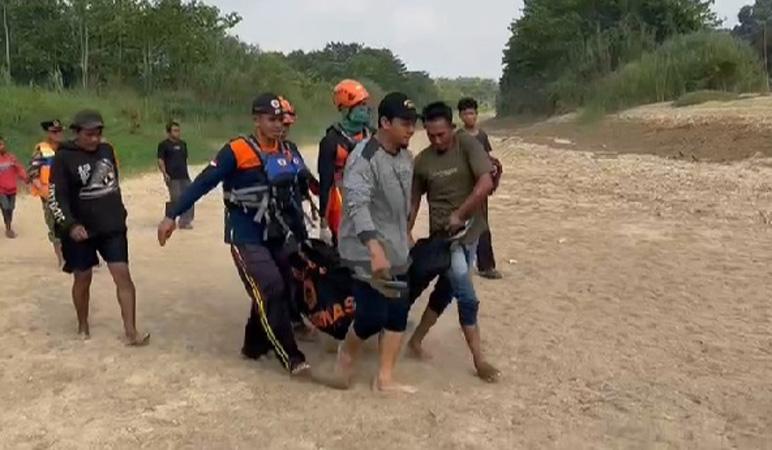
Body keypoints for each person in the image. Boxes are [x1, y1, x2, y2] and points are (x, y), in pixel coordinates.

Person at [157, 93, 311, 376]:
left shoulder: (288, 150)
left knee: (281, 287)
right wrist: (172, 214)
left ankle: (252, 346)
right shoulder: (237, 150)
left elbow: (302, 187)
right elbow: (203, 182)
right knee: (271, 287)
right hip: (245, 236)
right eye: (271, 119)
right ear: (256, 120)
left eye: (281, 120)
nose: (278, 125)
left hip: (277, 234)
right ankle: (291, 356)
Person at [328, 92, 418, 393]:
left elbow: (402, 202)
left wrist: (406, 231)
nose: (411, 130)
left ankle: (385, 378)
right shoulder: (363, 158)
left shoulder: (405, 156)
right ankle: (346, 354)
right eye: (405, 124)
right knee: (371, 316)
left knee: (398, 311)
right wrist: (374, 248)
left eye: (413, 123)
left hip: (396, 247)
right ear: (385, 122)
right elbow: (357, 205)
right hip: (363, 249)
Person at [407, 101, 500, 383]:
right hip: (445, 240)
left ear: (452, 127)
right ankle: (479, 359)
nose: (437, 140)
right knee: (466, 294)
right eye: (431, 135)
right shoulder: (422, 161)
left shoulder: (467, 145)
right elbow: (413, 203)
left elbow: (485, 183)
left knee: (446, 290)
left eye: (442, 134)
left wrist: (461, 214)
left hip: (471, 233)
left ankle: (415, 341)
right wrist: (405, 233)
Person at [48, 110, 149, 345]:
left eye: (98, 134)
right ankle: (82, 324)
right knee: (83, 278)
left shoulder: (106, 150)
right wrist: (70, 225)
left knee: (123, 275)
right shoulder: (63, 158)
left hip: (111, 227)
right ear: (77, 132)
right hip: (80, 231)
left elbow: (113, 183)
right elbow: (56, 197)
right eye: (89, 134)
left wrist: (119, 212)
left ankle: (131, 331)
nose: (94, 139)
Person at [318, 79, 372, 245]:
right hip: (341, 201)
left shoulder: (373, 137)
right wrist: (323, 223)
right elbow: (325, 183)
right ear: (345, 109)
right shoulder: (330, 141)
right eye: (359, 105)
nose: (364, 109)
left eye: (365, 104)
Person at [457, 97, 502, 280]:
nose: (470, 117)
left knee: (482, 224)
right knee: (460, 224)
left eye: (473, 113)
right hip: (463, 186)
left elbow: (487, 157)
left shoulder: (482, 135)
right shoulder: (458, 137)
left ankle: (486, 265)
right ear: (461, 116)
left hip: (480, 186)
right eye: (466, 113)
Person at [29, 120, 65, 264]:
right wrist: (44, 192)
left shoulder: (68, 148)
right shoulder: (41, 151)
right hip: (49, 194)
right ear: (48, 133)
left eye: (60, 131)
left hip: (68, 193)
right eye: (54, 132)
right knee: (54, 227)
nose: (58, 134)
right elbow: (33, 173)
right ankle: (61, 258)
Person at [157, 121, 193, 229]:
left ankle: (185, 221)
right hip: (172, 177)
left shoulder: (183, 144)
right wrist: (164, 173)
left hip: (184, 175)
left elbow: (185, 159)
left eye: (178, 130)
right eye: (175, 131)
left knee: (190, 196)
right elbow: (160, 160)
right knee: (176, 199)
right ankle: (169, 220)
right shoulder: (163, 145)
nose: (178, 133)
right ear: (169, 132)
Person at [0, 136, 29, 238]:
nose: (1, 147)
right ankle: (8, 229)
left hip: (12, 189)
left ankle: (9, 224)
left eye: (2, 144)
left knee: (11, 208)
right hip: (1, 190)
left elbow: (19, 169)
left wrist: (26, 178)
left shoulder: (11, 158)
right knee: (5, 207)